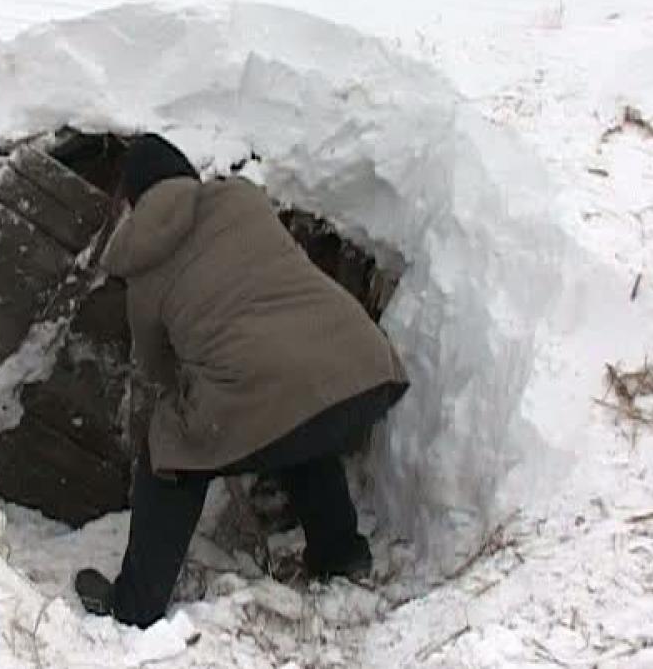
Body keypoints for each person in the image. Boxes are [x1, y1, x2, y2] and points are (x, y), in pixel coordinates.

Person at [73, 134, 409, 629]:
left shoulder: (141, 261)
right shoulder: (242, 200)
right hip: (363, 368)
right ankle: (341, 553)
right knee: (295, 409)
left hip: (279, 390)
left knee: (168, 450)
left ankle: (135, 606)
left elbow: (155, 369)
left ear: (134, 200)